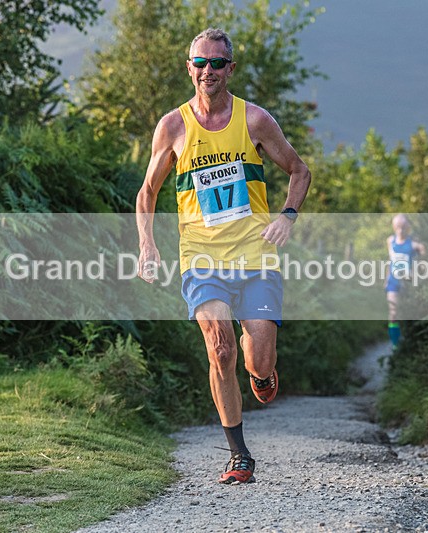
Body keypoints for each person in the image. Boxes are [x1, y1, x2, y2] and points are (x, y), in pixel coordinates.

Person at [135, 28, 310, 485]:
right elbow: (148, 192)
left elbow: (298, 170)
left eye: (217, 63)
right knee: (219, 348)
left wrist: (288, 216)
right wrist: (148, 244)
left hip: (256, 255)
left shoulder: (254, 121)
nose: (207, 71)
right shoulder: (172, 127)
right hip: (201, 258)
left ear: (230, 69)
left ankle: (264, 373)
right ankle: (238, 455)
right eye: (200, 62)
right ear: (189, 67)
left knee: (258, 361)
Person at [385, 214, 426, 349]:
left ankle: (412, 342)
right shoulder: (390, 241)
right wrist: (386, 278)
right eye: (397, 226)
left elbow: (425, 258)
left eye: (403, 226)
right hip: (393, 282)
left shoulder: (414, 245)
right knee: (393, 313)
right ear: (393, 227)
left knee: (410, 312)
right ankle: (395, 345)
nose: (400, 229)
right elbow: (390, 261)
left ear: (408, 227)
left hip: (409, 283)